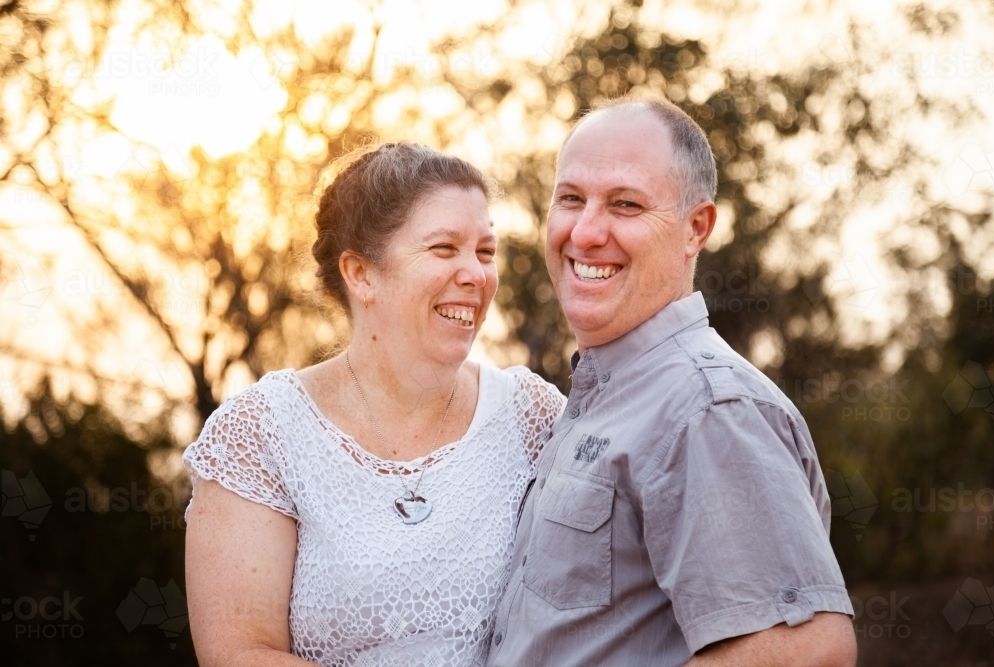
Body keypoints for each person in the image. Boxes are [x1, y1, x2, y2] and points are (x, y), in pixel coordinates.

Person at [486, 97, 857, 666]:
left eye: (625, 205)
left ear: (696, 229)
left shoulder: (704, 408)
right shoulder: (604, 395)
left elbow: (807, 650)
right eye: (570, 199)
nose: (585, 232)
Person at [183, 142, 565, 667]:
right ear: (361, 274)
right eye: (443, 249)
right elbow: (239, 654)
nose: (476, 275)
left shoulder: (533, 416)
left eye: (484, 251)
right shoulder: (260, 435)